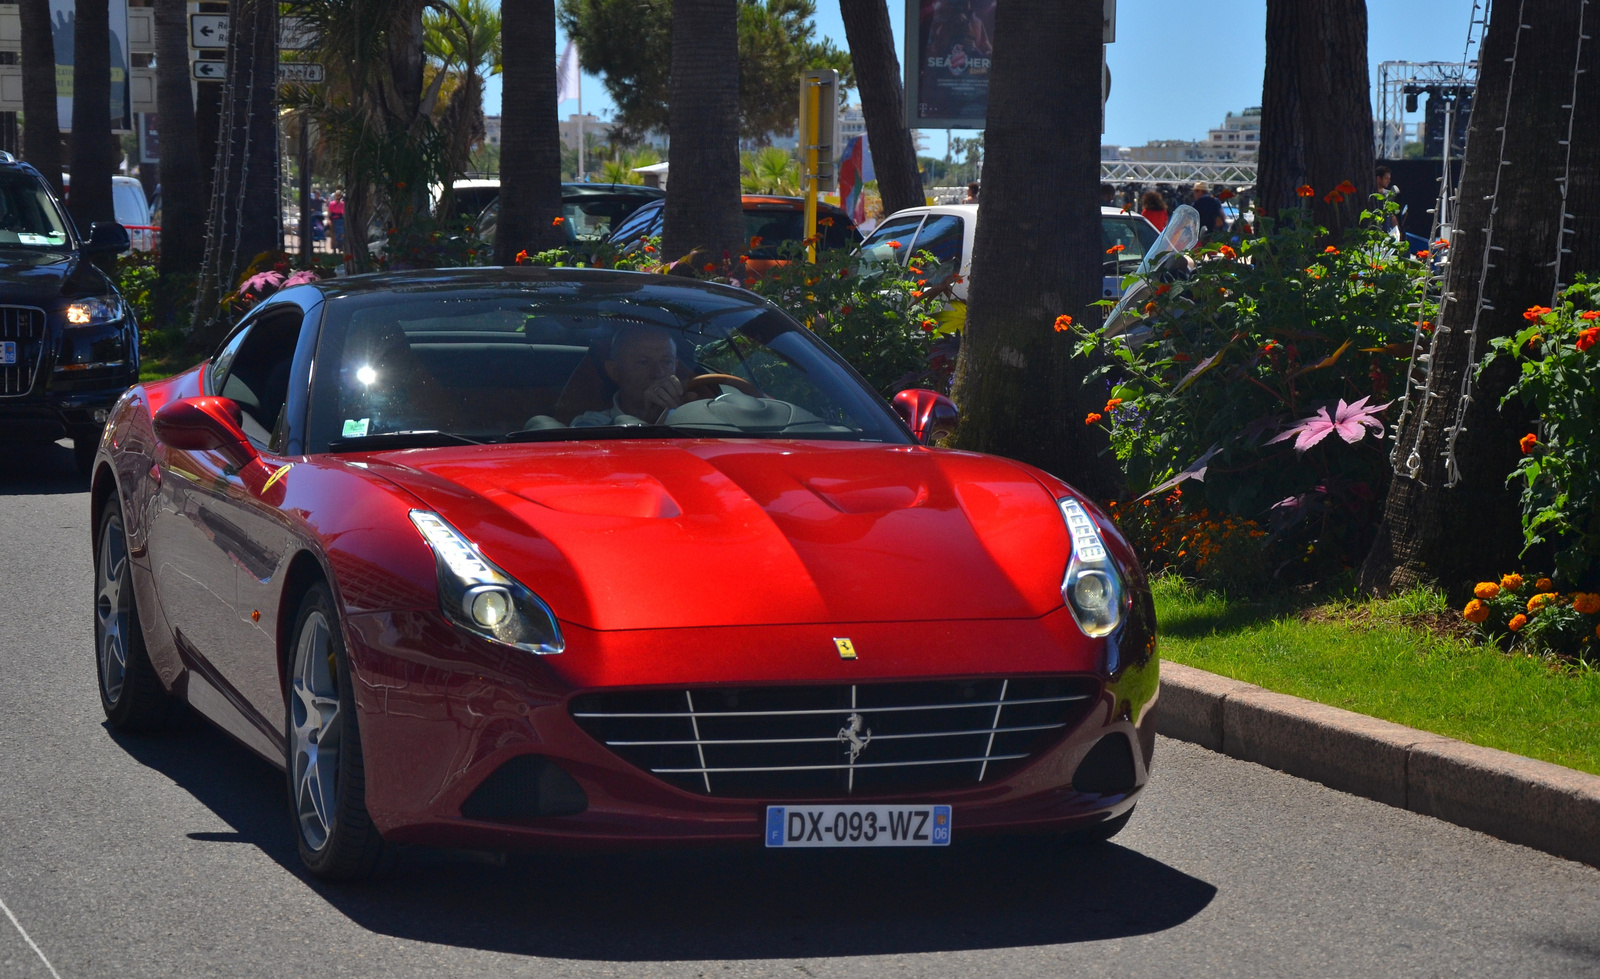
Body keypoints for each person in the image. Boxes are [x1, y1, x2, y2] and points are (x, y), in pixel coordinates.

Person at [572, 324, 685, 426]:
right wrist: (649, 423)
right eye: (643, 362)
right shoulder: (592, 425)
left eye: (666, 362)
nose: (658, 373)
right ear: (614, 371)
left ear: (675, 365)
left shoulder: (692, 418)